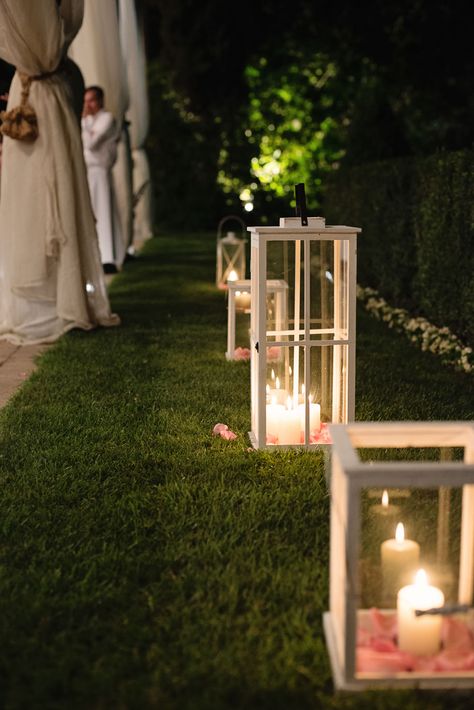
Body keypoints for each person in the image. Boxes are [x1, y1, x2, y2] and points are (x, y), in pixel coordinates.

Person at [0, 0, 119, 345]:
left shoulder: (55, 81)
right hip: (40, 107)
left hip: (89, 161)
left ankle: (62, 294)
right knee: (32, 208)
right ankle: (37, 292)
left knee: (57, 208)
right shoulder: (43, 80)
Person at [81, 86, 124, 274]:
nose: (88, 105)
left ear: (100, 101)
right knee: (91, 212)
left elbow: (91, 143)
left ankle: (107, 257)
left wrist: (83, 123)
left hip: (99, 169)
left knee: (103, 211)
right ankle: (96, 254)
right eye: (86, 101)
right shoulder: (89, 121)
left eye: (91, 100)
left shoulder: (107, 119)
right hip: (87, 170)